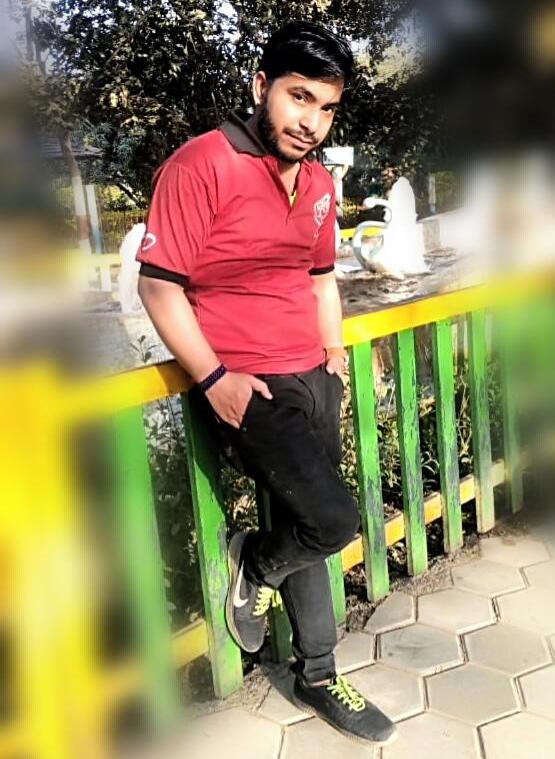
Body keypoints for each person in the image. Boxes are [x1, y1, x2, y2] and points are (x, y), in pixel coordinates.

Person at [137, 21, 396, 747]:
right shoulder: (201, 164)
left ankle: (318, 673)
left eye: (326, 108)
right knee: (332, 521)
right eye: (298, 97)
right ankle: (252, 563)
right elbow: (159, 286)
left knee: (304, 519)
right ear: (261, 86)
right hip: (247, 384)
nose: (310, 121)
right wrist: (213, 377)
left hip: (311, 374)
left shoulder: (317, 182)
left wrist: (333, 351)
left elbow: (319, 278)